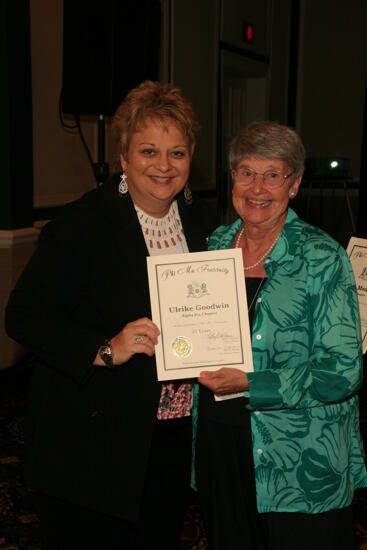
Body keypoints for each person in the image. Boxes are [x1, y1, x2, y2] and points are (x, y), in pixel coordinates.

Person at [5, 80, 214, 550]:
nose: (163, 166)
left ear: (190, 156)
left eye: (177, 153)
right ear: (122, 156)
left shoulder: (204, 223)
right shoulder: (83, 225)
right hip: (92, 443)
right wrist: (103, 349)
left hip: (170, 435)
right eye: (148, 151)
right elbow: (23, 315)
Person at [194, 120, 367, 550]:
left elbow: (342, 372)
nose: (257, 187)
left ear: (294, 185)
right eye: (246, 172)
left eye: (273, 175)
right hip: (221, 444)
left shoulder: (321, 257)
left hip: (299, 459)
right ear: (232, 177)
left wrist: (252, 384)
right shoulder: (214, 245)